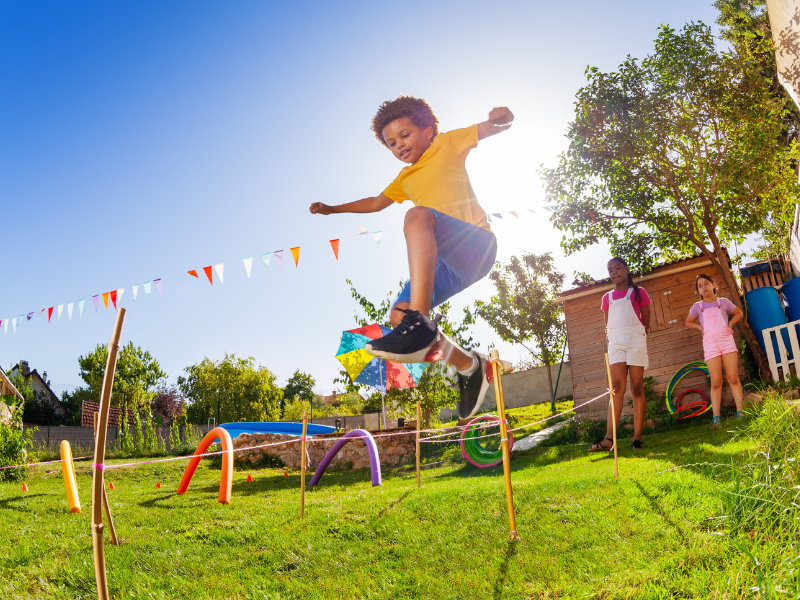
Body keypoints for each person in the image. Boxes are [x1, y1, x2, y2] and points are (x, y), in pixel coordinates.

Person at [309, 96, 513, 418]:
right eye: (392, 143)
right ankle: (470, 366)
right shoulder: (404, 178)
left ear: (428, 131)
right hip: (448, 264)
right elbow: (375, 203)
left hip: (476, 245)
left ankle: (419, 324)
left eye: (405, 135)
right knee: (398, 317)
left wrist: (501, 119)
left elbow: (487, 129)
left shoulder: (446, 144)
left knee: (417, 217)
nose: (399, 145)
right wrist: (333, 209)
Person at [590, 257, 651, 452]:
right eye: (610, 270)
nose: (614, 272)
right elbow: (608, 325)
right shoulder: (606, 298)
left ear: (626, 269)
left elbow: (646, 321)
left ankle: (637, 439)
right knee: (616, 387)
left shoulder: (639, 293)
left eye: (617, 268)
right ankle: (609, 438)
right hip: (616, 344)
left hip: (635, 341)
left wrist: (637, 333)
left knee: (637, 388)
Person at [685, 273, 745, 428]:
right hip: (710, 344)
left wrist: (730, 324)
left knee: (733, 377)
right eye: (700, 286)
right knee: (716, 381)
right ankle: (716, 418)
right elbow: (688, 322)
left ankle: (741, 412)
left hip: (727, 342)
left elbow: (739, 313)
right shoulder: (697, 307)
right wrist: (699, 327)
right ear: (698, 291)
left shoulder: (723, 302)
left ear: (713, 284)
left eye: (706, 283)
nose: (704, 287)